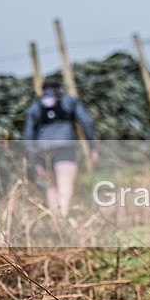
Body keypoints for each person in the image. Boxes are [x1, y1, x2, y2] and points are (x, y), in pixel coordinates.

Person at [23, 77, 98, 218]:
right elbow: (86, 121)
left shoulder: (35, 106)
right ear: (59, 88)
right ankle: (64, 216)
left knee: (51, 186)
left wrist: (34, 160)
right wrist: (91, 146)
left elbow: (28, 135)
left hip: (43, 151)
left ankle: (56, 220)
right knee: (65, 184)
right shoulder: (68, 100)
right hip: (65, 147)